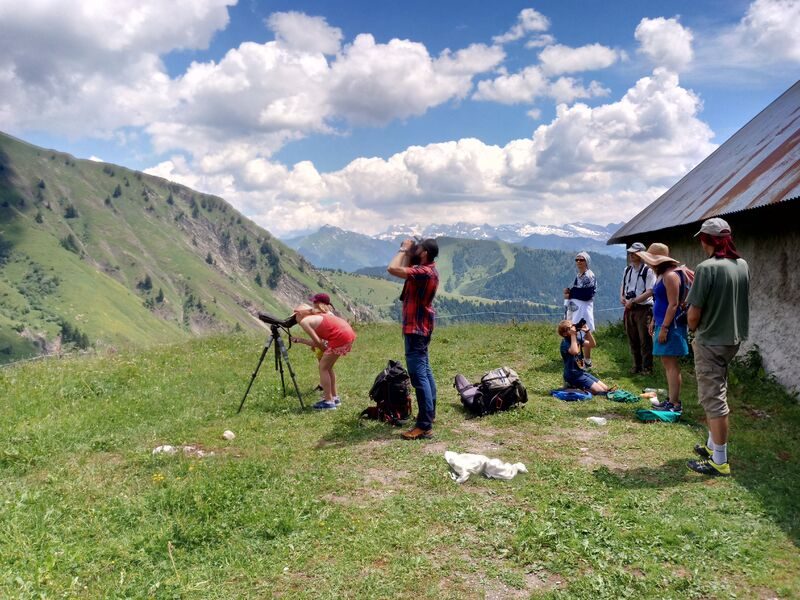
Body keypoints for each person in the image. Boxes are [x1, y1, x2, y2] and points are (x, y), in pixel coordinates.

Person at [685, 218, 749, 477]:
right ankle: (713, 447)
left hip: (710, 339)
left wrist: (692, 330)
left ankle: (719, 461)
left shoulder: (706, 268)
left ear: (706, 240)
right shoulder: (741, 265)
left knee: (713, 399)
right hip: (732, 338)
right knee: (717, 389)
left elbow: (693, 314)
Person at [387, 238, 439, 440]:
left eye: (418, 249)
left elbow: (392, 268)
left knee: (419, 378)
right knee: (425, 371)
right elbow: (405, 266)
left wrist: (403, 249)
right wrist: (410, 252)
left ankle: (424, 426)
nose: (414, 250)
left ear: (424, 253)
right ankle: (429, 415)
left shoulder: (424, 273)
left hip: (416, 329)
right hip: (421, 327)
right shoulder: (427, 269)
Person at [636, 243, 688, 413]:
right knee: (667, 363)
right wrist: (654, 322)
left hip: (671, 326)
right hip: (662, 324)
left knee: (671, 364)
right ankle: (671, 401)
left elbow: (673, 304)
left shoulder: (670, 276)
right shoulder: (662, 275)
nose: (649, 264)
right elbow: (661, 301)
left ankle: (674, 403)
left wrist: (664, 327)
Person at [291, 303, 356, 410]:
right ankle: (335, 398)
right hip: (347, 334)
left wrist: (325, 350)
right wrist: (300, 340)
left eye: (294, 317)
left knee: (323, 367)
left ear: (298, 314)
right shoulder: (319, 316)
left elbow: (317, 343)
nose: (295, 320)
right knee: (328, 367)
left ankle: (328, 401)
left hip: (340, 337)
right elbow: (318, 342)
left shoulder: (305, 322)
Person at [620, 242, 656, 375]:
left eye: (634, 253)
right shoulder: (627, 269)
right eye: (630, 253)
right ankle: (636, 365)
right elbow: (623, 285)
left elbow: (650, 291)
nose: (631, 255)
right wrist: (622, 297)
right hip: (630, 308)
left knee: (644, 339)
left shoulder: (649, 270)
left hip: (643, 308)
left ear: (642, 254)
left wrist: (634, 300)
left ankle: (647, 367)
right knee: (632, 337)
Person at [557, 320, 612, 394]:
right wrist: (573, 335)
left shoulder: (577, 339)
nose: (573, 329)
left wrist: (588, 332)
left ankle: (576, 386)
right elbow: (575, 351)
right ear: (565, 334)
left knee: (605, 388)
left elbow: (592, 345)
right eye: (570, 328)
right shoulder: (565, 343)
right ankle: (572, 387)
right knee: (600, 391)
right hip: (572, 375)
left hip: (581, 372)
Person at [564, 251, 597, 368]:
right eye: (577, 260)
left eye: (581, 260)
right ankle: (580, 359)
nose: (578, 262)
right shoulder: (579, 275)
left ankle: (586, 360)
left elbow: (587, 294)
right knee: (578, 332)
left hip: (583, 309)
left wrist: (572, 292)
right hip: (577, 308)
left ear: (586, 262)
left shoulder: (589, 275)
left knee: (584, 332)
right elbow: (579, 292)